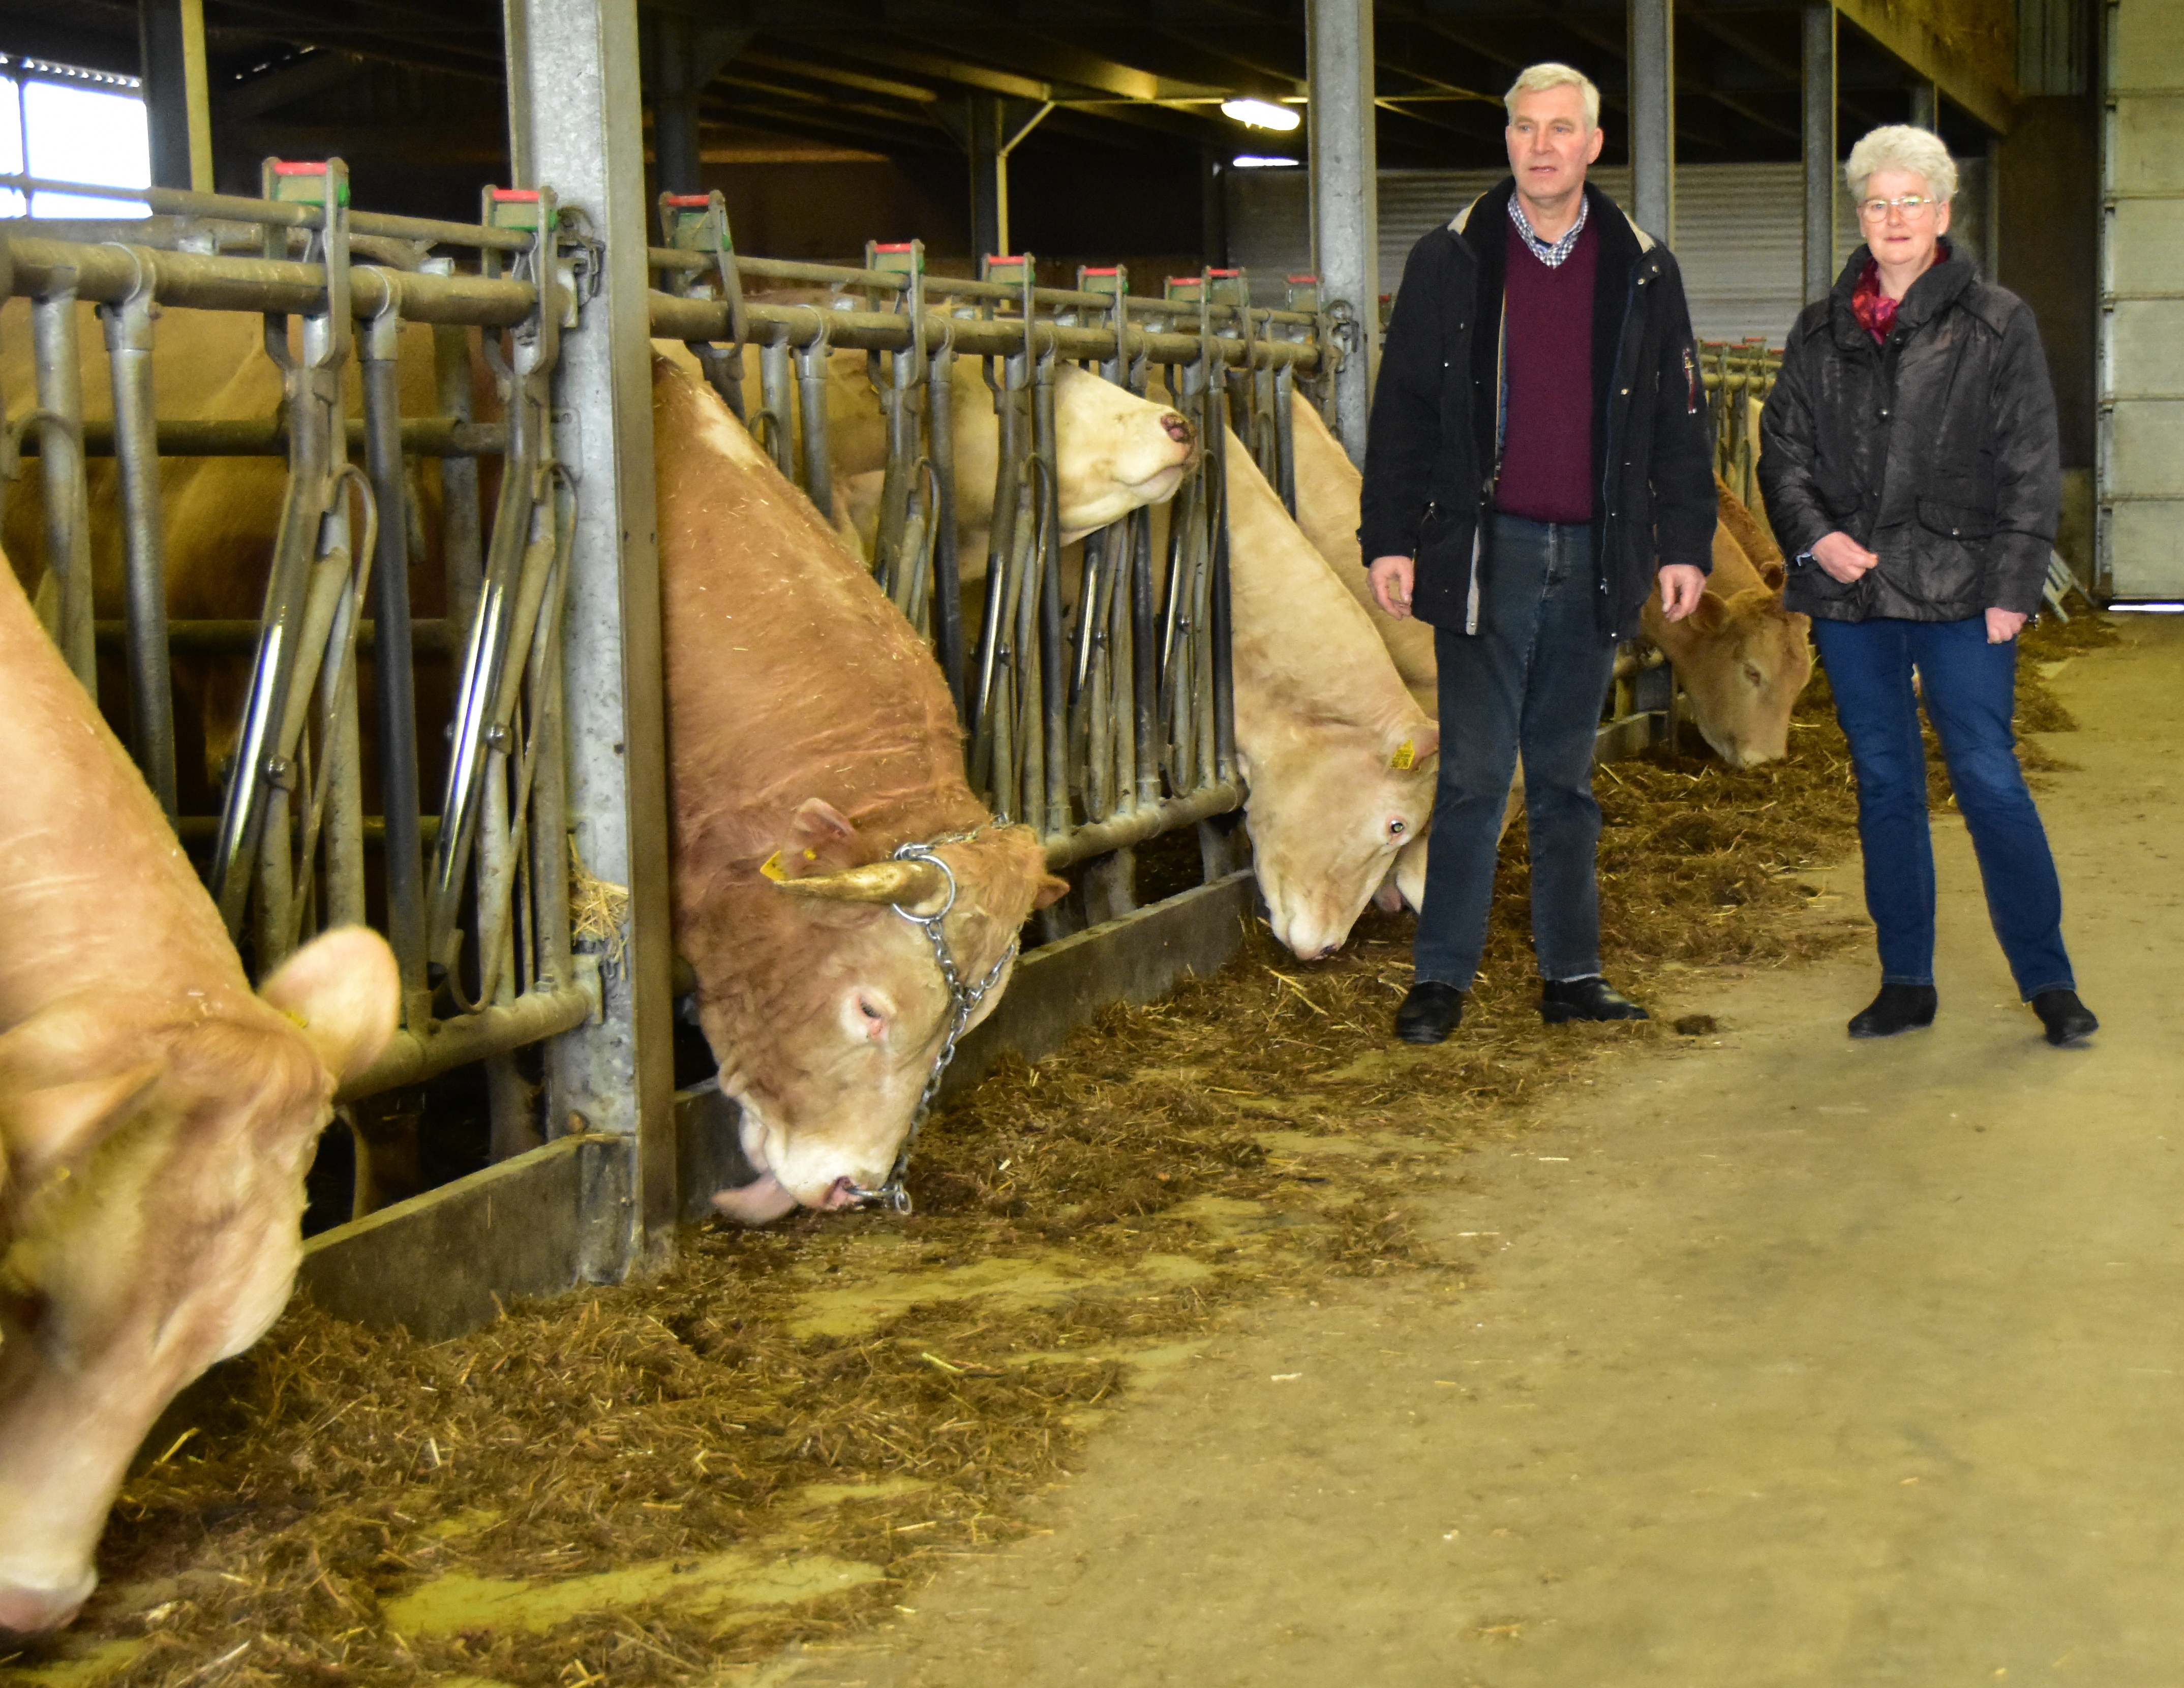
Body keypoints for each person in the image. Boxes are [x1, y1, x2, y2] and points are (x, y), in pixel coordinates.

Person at [1359, 62, 1716, 1045]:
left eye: (1563, 128)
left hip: (1599, 551)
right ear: (1508, 139)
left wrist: (1683, 542)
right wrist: (1388, 537)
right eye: (1526, 128)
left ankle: (1573, 974)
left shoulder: (1643, 265)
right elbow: (1405, 415)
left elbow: (1685, 420)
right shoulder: (1453, 258)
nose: (1544, 145)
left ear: (1595, 144)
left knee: (1565, 778)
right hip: (1488, 550)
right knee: (1475, 774)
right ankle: (1443, 979)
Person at [1758, 124, 2097, 1047]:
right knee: (1884, 783)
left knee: (1989, 777)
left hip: (1962, 591)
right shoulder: (1820, 328)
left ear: (1943, 213)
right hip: (1853, 598)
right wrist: (1816, 539)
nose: (1894, 217)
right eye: (1877, 201)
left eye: (1912, 201)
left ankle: (2047, 978)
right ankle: (1906, 978)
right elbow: (1780, 451)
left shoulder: (1997, 320)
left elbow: (2032, 460)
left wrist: (2015, 586)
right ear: (1860, 216)